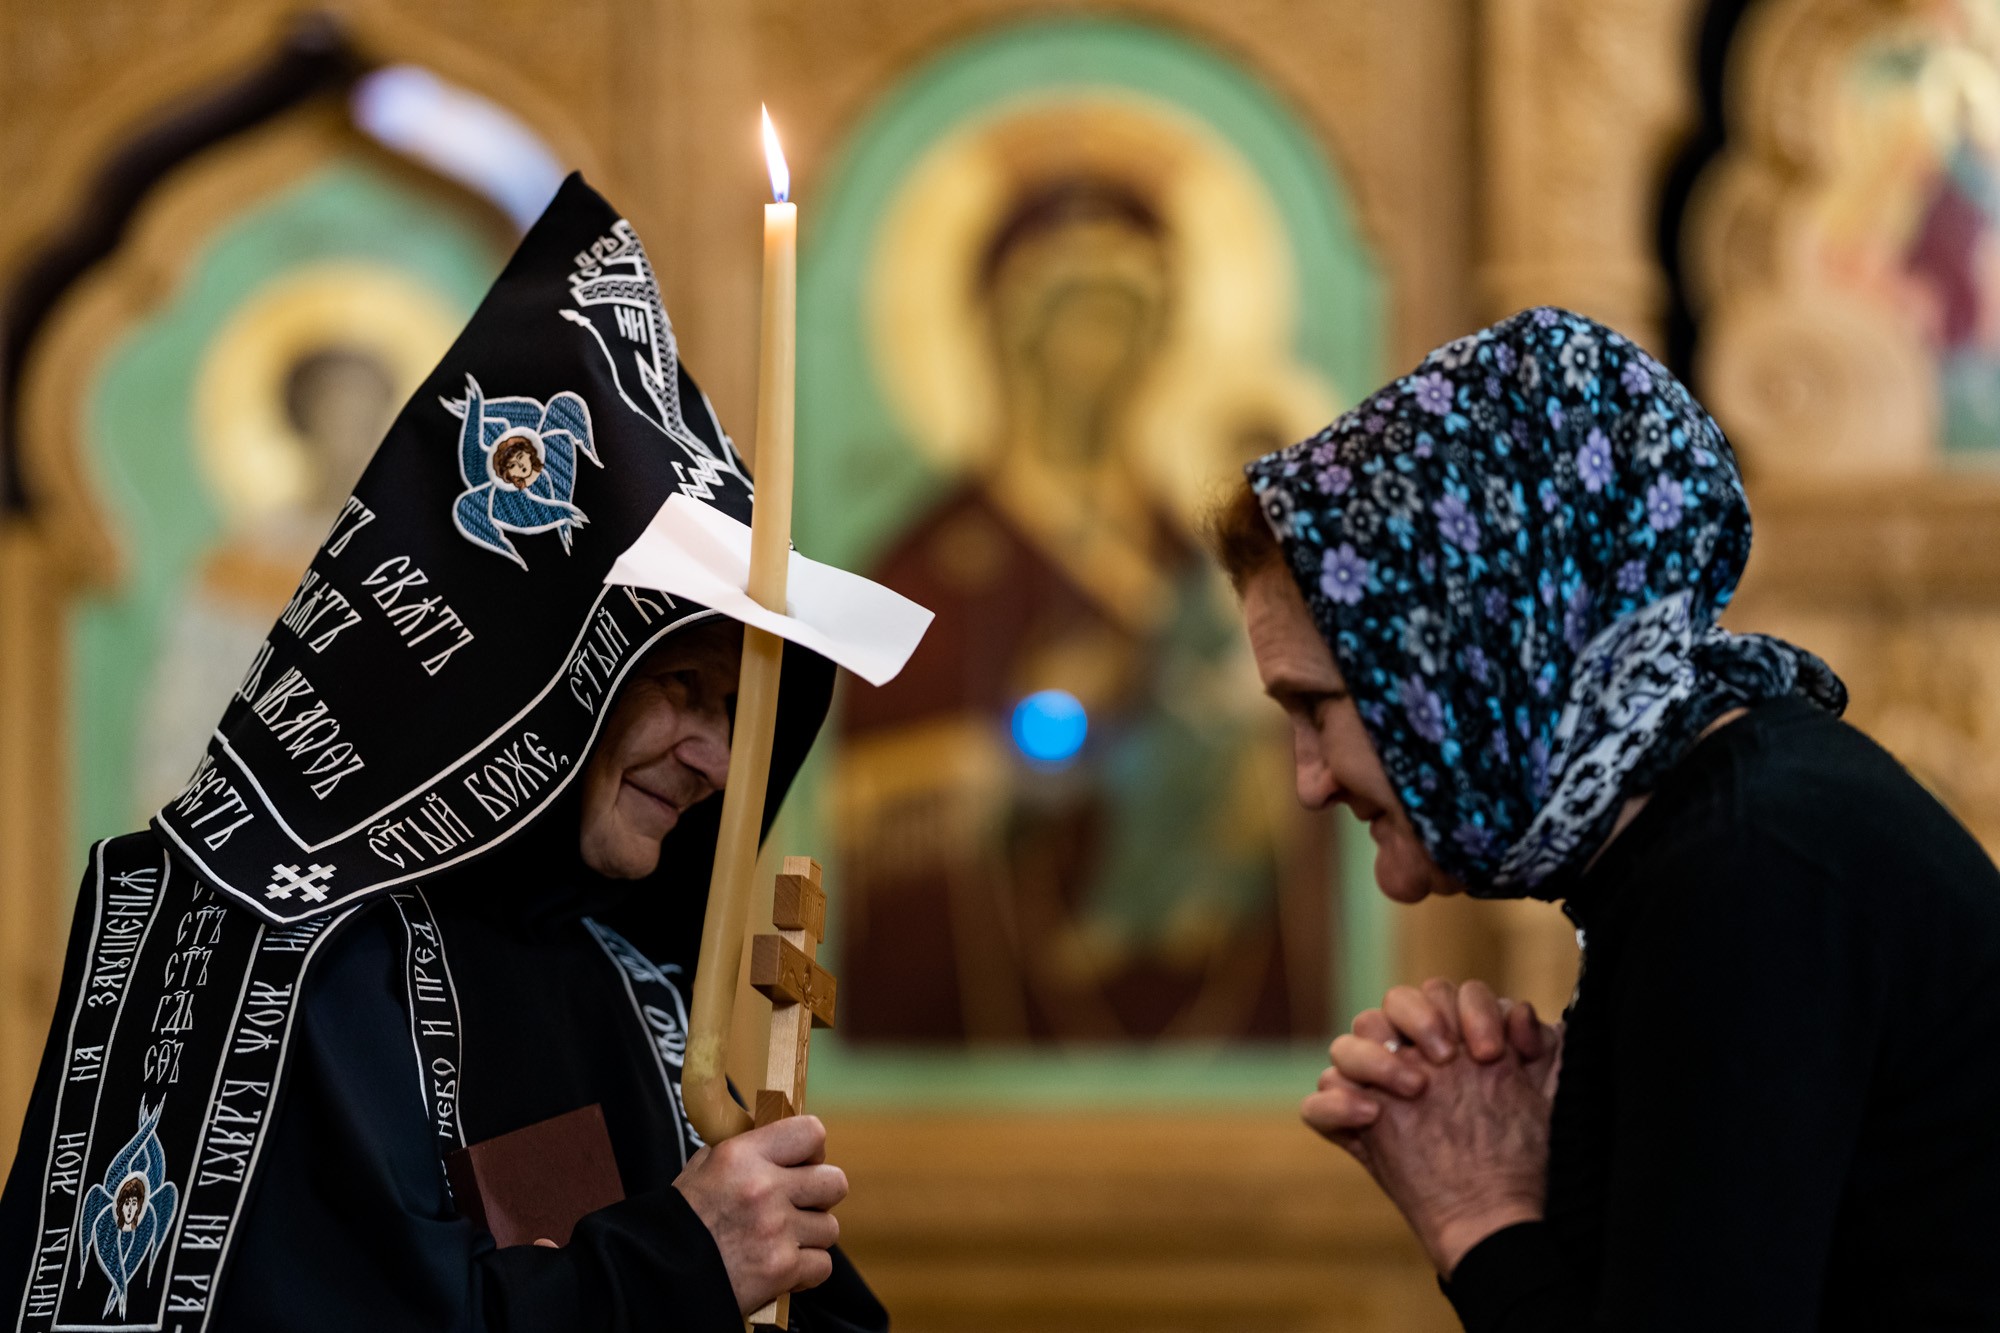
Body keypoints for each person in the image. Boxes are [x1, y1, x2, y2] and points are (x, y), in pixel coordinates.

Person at [0, 175, 893, 1332]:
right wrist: (680, 1261)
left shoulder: (628, 984)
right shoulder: (262, 945)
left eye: (737, 712)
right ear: (537, 666)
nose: (717, 762)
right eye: (681, 689)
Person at [1209, 307, 2000, 1329]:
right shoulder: (1722, 829)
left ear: (1460, 656)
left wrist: (1476, 1212)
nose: (1310, 781)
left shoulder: (1747, 872)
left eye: (1315, 708)